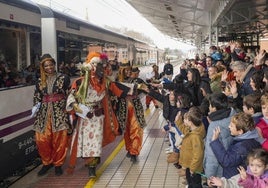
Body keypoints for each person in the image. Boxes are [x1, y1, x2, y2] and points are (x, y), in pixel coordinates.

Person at [32, 53, 70, 176]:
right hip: (43, 114)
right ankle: (47, 163)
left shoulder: (64, 78)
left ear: (54, 65)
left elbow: (70, 95)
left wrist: (69, 109)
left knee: (59, 140)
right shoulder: (39, 81)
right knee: (41, 139)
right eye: (46, 66)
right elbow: (37, 97)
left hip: (59, 113)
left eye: (51, 65)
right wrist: (35, 108)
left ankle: (58, 164)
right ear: (43, 68)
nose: (49, 67)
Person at [209, 112, 261, 179]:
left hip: (234, 179)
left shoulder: (242, 147)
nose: (229, 127)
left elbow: (226, 161)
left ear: (240, 131)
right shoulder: (252, 139)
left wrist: (215, 141)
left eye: (231, 125)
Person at [117, 65, 147, 163]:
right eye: (127, 70)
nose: (129, 72)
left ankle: (134, 151)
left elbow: (146, 89)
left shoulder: (137, 80)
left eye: (130, 71)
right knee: (126, 130)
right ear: (122, 71)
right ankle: (129, 148)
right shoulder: (117, 81)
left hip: (135, 108)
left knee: (136, 129)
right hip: (123, 109)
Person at [175, 107, 206, 188]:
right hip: (190, 165)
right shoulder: (192, 130)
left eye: (185, 119)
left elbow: (198, 155)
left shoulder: (196, 137)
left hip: (194, 167)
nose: (183, 120)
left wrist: (193, 169)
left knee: (195, 184)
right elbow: (184, 130)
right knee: (190, 182)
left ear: (190, 122)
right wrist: (178, 121)